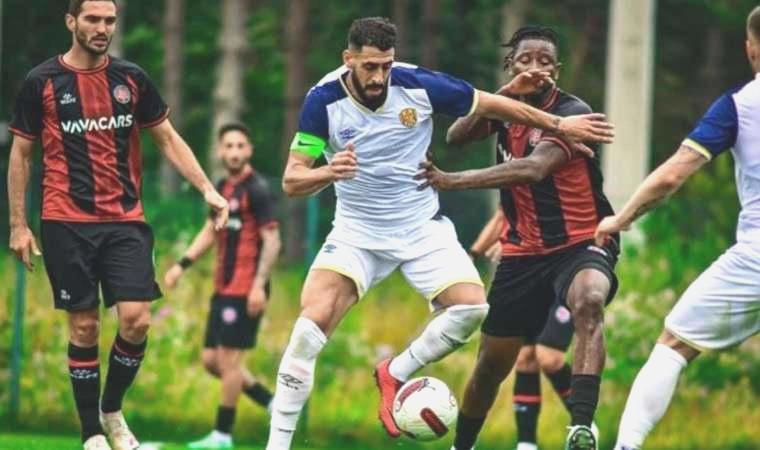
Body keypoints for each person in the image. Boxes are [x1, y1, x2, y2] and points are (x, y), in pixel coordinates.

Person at [265, 17, 614, 450]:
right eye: (370, 67)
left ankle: (393, 374)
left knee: (472, 309)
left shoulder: (419, 84)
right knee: (307, 331)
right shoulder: (323, 101)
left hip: (421, 228)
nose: (379, 77)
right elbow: (292, 179)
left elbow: (492, 104)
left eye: (386, 66)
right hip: (357, 233)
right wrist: (328, 171)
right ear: (348, 59)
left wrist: (559, 125)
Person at [6, 1, 228, 449]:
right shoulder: (41, 82)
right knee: (85, 327)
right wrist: (18, 225)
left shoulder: (131, 79)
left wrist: (207, 188)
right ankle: (91, 433)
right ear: (71, 22)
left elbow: (167, 138)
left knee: (137, 320)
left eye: (109, 20)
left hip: (125, 220)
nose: (102, 27)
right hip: (65, 221)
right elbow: (22, 154)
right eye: (93, 19)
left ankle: (111, 411)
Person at [418, 25, 619, 450]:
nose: (536, 68)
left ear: (557, 70)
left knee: (590, 299)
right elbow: (456, 136)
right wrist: (504, 94)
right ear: (510, 65)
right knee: (492, 365)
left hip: (581, 243)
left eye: (546, 61)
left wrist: (452, 181)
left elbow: (532, 168)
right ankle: (462, 445)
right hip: (522, 253)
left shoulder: (572, 113)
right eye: (526, 59)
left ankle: (581, 427)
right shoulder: (505, 107)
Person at [595, 6, 760, 450]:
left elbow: (672, 176)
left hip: (756, 261)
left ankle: (626, 446)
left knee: (674, 345)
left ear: (751, 49)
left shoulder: (740, 105)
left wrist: (621, 218)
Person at [163, 123, 281, 449]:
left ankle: (222, 436)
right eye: (228, 146)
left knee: (230, 363)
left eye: (240, 146)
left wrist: (259, 286)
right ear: (220, 151)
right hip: (223, 287)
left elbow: (273, 241)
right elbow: (210, 231)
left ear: (249, 150)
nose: (234, 152)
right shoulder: (221, 187)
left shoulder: (257, 189)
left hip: (245, 289)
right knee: (211, 361)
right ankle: (272, 402)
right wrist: (182, 264)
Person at [469, 210, 583, 450]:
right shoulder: (515, 188)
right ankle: (526, 443)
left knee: (549, 357)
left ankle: (584, 424)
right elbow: (502, 216)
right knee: (525, 358)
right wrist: (473, 254)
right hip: (530, 275)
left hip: (567, 270)